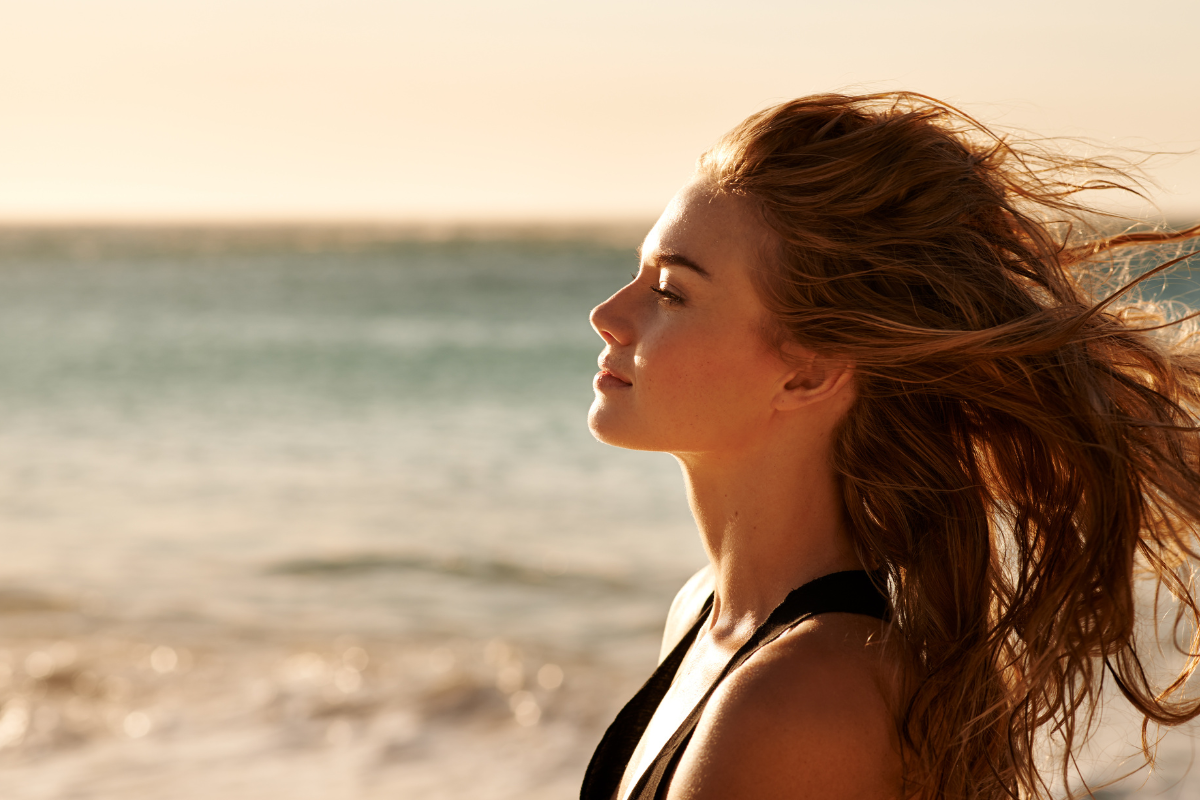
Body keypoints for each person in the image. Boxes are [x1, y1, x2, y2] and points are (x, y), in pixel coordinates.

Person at [578, 92, 1200, 800]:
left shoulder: (802, 702)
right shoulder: (707, 612)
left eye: (670, 292)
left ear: (808, 370)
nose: (608, 315)